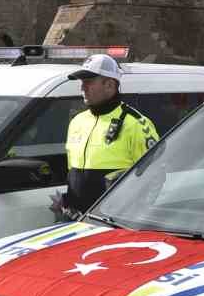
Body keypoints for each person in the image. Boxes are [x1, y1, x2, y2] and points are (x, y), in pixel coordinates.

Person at [58, 53, 159, 219]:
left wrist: (135, 219)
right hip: (75, 221)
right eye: (82, 82)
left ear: (110, 85)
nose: (82, 87)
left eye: (88, 82)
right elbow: (73, 172)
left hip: (113, 224)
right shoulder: (77, 121)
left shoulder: (136, 123)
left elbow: (154, 177)